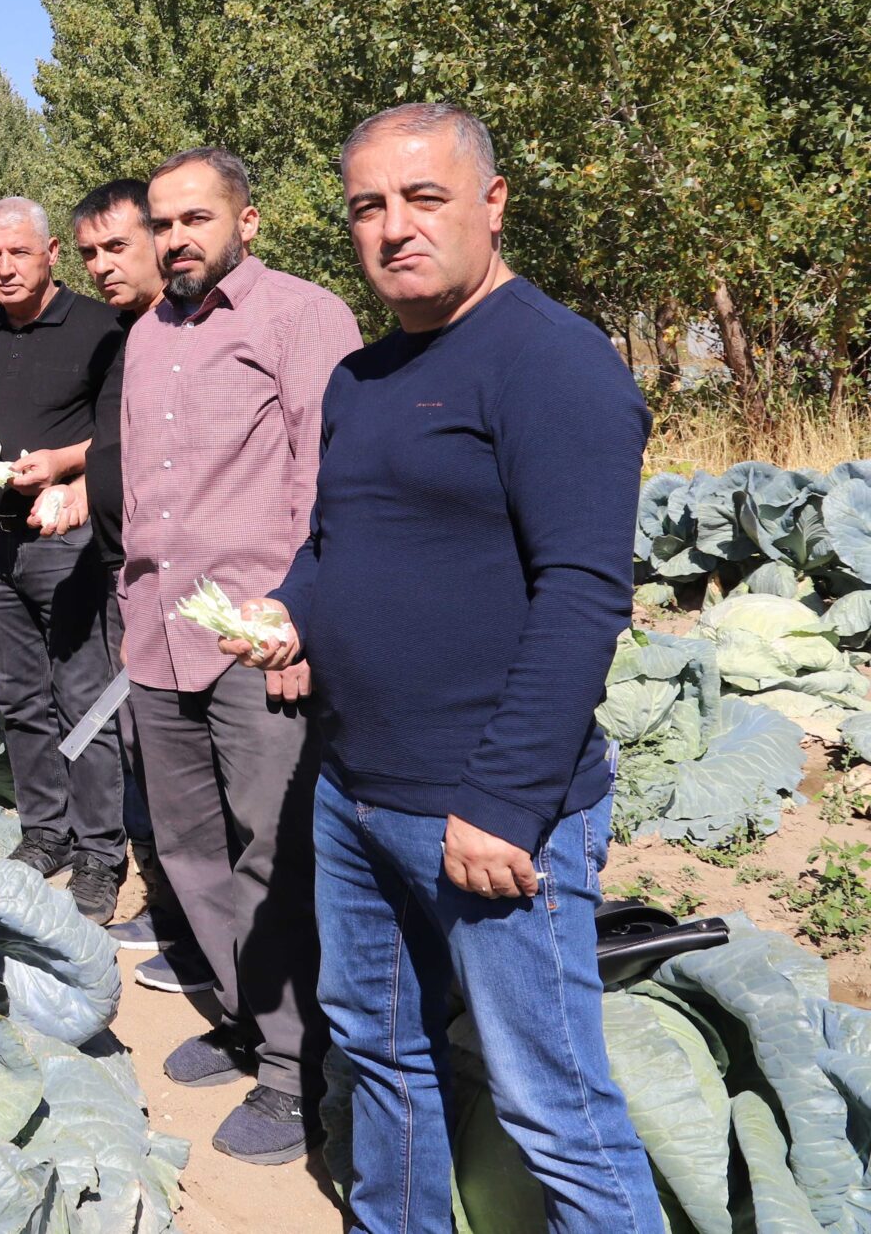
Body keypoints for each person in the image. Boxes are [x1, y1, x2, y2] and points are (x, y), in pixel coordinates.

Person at [226, 103, 664, 1228]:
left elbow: (583, 596)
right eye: (368, 206)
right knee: (379, 1054)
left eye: (424, 197)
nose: (394, 227)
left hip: (486, 809)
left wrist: (504, 802)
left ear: (492, 202)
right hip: (354, 790)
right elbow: (336, 543)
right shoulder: (362, 377)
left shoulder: (551, 361)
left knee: (552, 1106)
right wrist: (289, 609)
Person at [117, 149, 361, 1167]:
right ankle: (243, 1016)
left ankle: (297, 1069)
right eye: (163, 221)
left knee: (275, 852)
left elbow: (330, 479)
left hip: (258, 638)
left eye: (197, 218)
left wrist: (302, 621)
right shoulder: (145, 334)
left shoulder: (303, 317)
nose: (176, 237)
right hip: (157, 627)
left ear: (246, 221)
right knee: (187, 848)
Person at [0, 197, 128, 921]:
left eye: (19, 252)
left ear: (52, 254)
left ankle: (101, 851)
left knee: (84, 696)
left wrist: (63, 462)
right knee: (18, 696)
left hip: (66, 542)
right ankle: (47, 831)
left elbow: (120, 430)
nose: (5, 267)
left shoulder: (100, 327)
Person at [55, 179, 211, 997]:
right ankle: (176, 909)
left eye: (116, 246)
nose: (102, 265)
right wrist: (81, 484)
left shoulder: (192, 330)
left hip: (190, 586)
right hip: (127, 572)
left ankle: (212, 937)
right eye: (90, 253)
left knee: (195, 765)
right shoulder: (129, 336)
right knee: (147, 749)